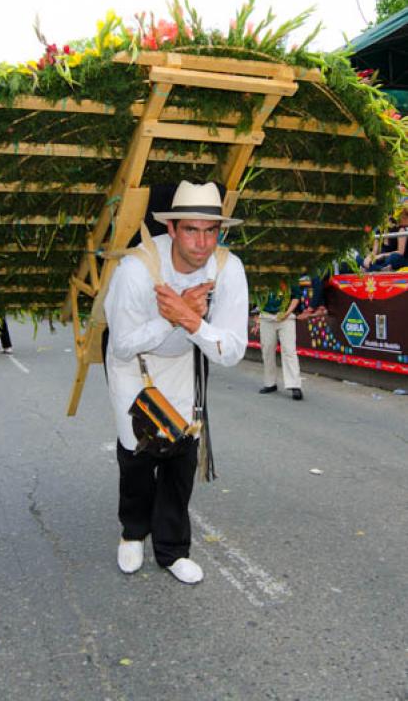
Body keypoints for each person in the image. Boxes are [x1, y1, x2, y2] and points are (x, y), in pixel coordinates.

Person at [104, 181, 248, 584]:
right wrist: (169, 317)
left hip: (184, 356)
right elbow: (121, 346)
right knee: (138, 450)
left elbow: (232, 351)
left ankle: (172, 549)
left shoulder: (227, 268)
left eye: (210, 230)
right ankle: (133, 531)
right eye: (190, 229)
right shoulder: (135, 270)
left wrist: (189, 321)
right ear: (171, 229)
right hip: (134, 363)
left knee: (182, 451)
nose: (201, 243)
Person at [254, 285, 303, 400]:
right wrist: (257, 319)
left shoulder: (290, 277)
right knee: (267, 350)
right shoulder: (263, 277)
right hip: (266, 316)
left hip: (286, 317)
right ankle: (270, 383)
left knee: (289, 350)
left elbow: (296, 297)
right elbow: (255, 297)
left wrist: (287, 312)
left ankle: (294, 385)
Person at [362, 203, 408, 272]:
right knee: (361, 259)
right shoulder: (378, 231)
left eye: (384, 216)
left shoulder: (399, 229)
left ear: (390, 217)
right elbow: (374, 251)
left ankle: (373, 269)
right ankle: (380, 269)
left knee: (393, 258)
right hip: (385, 261)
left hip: (396, 259)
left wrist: (382, 255)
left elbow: (400, 252)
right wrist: (369, 258)